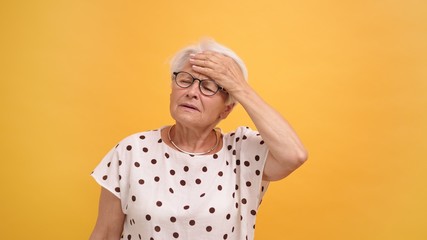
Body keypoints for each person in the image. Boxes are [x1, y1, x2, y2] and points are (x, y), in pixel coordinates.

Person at [89, 38, 308, 240]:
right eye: (185, 80)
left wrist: (240, 86)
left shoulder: (242, 152)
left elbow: (294, 155)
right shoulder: (131, 151)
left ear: (226, 110)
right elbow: (106, 234)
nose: (192, 92)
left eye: (208, 86)